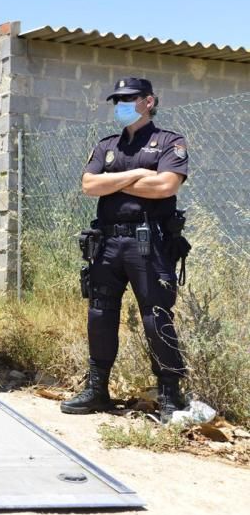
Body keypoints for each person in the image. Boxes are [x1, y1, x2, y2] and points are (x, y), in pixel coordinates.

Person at [61, 77, 190, 423]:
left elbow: (165, 186)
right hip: (107, 242)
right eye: (117, 99)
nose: (121, 104)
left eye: (129, 98)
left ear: (149, 101)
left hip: (149, 243)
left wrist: (114, 181)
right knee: (100, 315)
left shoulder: (168, 141)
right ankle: (98, 390)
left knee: (156, 316)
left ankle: (169, 395)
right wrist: (136, 174)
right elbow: (90, 184)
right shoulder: (106, 145)